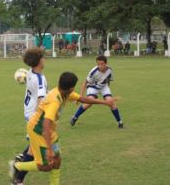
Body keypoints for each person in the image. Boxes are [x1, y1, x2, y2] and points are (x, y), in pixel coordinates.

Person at [9, 72, 115, 185]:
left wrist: (105, 102)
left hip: (49, 130)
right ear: (71, 88)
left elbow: (83, 99)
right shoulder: (54, 100)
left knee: (57, 161)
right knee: (45, 166)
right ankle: (16, 165)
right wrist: (49, 149)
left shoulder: (66, 93)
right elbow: (46, 123)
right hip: (38, 130)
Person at [14, 47, 48, 185]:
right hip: (35, 116)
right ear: (39, 61)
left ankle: (19, 164)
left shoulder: (29, 72)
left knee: (32, 148)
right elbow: (41, 101)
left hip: (29, 113)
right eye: (43, 57)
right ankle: (17, 178)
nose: (44, 60)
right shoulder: (39, 79)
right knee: (35, 151)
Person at [70, 55, 124, 128]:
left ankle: (120, 123)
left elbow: (108, 80)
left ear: (106, 63)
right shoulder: (94, 71)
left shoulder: (110, 70)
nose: (100, 66)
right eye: (98, 64)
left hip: (103, 87)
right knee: (89, 102)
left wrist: (107, 94)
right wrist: (81, 96)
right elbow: (85, 83)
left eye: (102, 64)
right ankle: (75, 117)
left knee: (111, 102)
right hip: (92, 87)